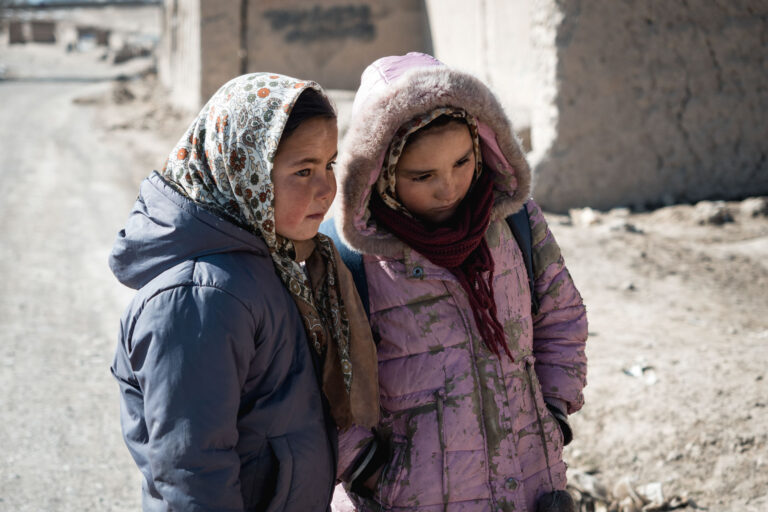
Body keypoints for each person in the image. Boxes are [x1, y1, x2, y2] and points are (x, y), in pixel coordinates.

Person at [109, 73, 379, 511]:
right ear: (245, 171)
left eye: (330, 164)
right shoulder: (199, 298)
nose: (326, 188)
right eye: (303, 170)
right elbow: (192, 472)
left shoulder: (274, 260)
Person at [330, 53, 588, 512]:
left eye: (462, 162)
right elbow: (328, 378)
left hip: (527, 479)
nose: (449, 188)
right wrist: (368, 469)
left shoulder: (515, 223)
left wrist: (553, 413)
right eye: (422, 176)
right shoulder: (353, 261)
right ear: (380, 174)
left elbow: (561, 315)